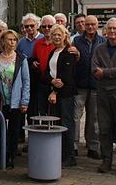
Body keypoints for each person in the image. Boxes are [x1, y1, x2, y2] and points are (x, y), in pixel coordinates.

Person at [92, 17, 116, 175]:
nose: (112, 31)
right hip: (102, 93)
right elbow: (94, 69)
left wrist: (105, 72)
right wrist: (107, 73)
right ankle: (106, 160)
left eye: (115, 29)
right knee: (104, 128)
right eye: (110, 29)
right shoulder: (99, 49)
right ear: (106, 31)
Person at [0, 29, 29, 169]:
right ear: (2, 41)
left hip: (16, 100)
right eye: (9, 39)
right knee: (0, 129)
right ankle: (1, 155)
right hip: (1, 100)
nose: (12, 42)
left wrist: (24, 101)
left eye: (14, 40)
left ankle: (10, 157)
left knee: (13, 131)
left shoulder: (21, 59)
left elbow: (26, 81)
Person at [70, 14, 104, 159]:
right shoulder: (77, 41)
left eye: (93, 24)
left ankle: (93, 146)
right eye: (87, 24)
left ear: (97, 25)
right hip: (80, 84)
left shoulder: (103, 41)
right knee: (75, 116)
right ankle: (74, 145)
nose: (90, 27)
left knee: (94, 118)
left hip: (96, 85)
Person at [44, 24, 77, 167]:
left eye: (59, 34)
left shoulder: (68, 52)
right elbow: (46, 73)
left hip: (65, 95)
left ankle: (70, 156)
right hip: (54, 93)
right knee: (57, 124)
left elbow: (67, 76)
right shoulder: (53, 52)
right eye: (54, 35)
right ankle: (60, 154)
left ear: (65, 36)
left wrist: (55, 91)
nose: (56, 37)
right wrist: (51, 82)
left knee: (67, 124)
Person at [30, 15, 56, 116]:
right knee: (42, 111)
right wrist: (34, 63)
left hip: (55, 83)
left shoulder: (59, 42)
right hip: (42, 82)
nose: (47, 29)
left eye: (50, 26)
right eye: (44, 26)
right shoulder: (37, 43)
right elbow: (34, 58)